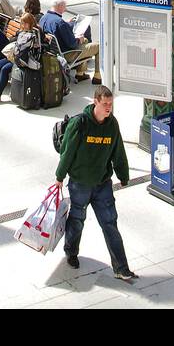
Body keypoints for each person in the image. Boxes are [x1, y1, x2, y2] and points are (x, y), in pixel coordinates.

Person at [56, 85, 136, 280]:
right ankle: (71, 252)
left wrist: (123, 175)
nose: (109, 108)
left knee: (110, 224)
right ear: (95, 102)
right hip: (80, 184)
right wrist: (59, 177)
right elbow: (67, 152)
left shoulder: (112, 124)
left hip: (102, 185)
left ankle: (121, 268)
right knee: (77, 221)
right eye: (105, 104)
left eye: (111, 104)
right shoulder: (80, 123)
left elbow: (119, 151)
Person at [0, 12, 37, 105]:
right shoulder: (20, 31)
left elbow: (42, 46)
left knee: (4, 69)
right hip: (14, 56)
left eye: (25, 23)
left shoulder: (36, 32)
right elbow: (11, 40)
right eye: (22, 23)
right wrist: (17, 38)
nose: (24, 25)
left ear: (30, 22)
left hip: (23, 59)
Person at [40, 0, 100, 82]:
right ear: (60, 7)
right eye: (64, 7)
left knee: (85, 40)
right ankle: (97, 77)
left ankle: (80, 73)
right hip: (67, 54)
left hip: (54, 52)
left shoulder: (44, 18)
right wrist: (78, 39)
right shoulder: (60, 23)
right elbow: (73, 44)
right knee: (98, 46)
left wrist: (67, 24)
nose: (65, 9)